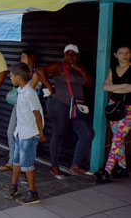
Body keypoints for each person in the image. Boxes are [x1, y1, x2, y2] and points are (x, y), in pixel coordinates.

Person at [37, 44, 95, 177]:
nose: (71, 56)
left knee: (87, 134)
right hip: (59, 103)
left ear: (78, 55)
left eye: (73, 54)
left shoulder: (80, 68)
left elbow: (90, 84)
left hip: (76, 107)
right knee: (59, 133)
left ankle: (75, 165)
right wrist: (50, 88)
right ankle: (54, 166)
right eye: (68, 53)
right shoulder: (59, 67)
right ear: (64, 55)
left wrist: (81, 71)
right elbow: (40, 70)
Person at [4, 63, 46, 205]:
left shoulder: (29, 93)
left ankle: (33, 193)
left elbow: (38, 115)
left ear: (18, 77)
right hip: (20, 133)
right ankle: (13, 186)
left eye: (11, 75)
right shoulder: (21, 91)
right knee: (16, 161)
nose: (10, 77)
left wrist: (41, 134)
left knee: (27, 165)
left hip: (29, 134)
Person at [0, 50, 42, 171]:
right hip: (18, 107)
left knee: (25, 137)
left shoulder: (35, 74)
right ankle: (13, 160)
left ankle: (22, 162)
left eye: (23, 57)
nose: (20, 59)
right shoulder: (19, 74)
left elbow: (30, 89)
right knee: (11, 132)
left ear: (31, 58)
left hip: (28, 110)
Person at [101, 44, 131, 179]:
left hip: (129, 109)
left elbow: (129, 89)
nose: (124, 56)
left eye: (127, 53)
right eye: (121, 53)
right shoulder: (113, 68)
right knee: (118, 139)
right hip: (114, 107)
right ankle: (123, 167)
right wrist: (124, 85)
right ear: (115, 55)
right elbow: (105, 86)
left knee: (117, 138)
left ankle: (107, 170)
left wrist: (114, 88)